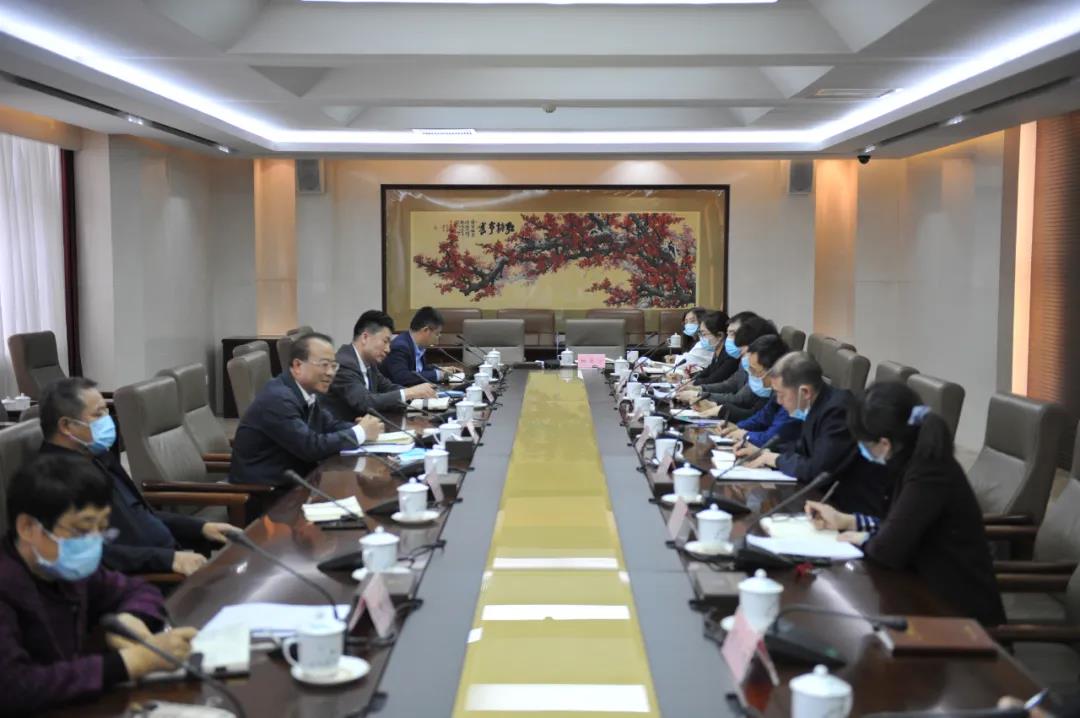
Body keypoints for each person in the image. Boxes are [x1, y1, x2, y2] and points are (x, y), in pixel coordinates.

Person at [0, 454, 198, 715]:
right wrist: (132, 662)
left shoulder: (66, 569)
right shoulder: (8, 582)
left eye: (101, 528)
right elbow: (13, 688)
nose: (93, 541)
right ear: (27, 527)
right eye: (82, 530)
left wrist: (131, 617)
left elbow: (138, 590)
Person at [804, 381, 1006, 626]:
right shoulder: (911, 462)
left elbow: (887, 549)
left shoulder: (929, 473)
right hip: (921, 589)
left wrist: (862, 538)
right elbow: (896, 524)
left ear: (885, 444)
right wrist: (849, 521)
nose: (862, 451)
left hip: (956, 613)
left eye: (863, 444)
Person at [37, 377, 236, 577]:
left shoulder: (97, 457)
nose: (108, 420)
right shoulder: (54, 481)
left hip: (166, 562)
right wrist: (168, 560)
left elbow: (139, 515)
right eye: (98, 414)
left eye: (106, 411)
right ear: (66, 426)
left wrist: (201, 528)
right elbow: (85, 556)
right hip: (143, 580)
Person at [739, 352, 889, 516]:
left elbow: (817, 469)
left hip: (849, 509)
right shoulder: (817, 405)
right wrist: (765, 453)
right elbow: (802, 450)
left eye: (781, 394)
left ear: (805, 392)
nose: (779, 401)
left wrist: (774, 459)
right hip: (824, 500)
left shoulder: (837, 411)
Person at [230, 333, 383, 492]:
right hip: (265, 494)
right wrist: (359, 432)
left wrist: (360, 428)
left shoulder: (305, 391)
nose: (330, 373)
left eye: (333, 366)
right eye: (324, 365)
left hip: (296, 482)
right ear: (297, 366)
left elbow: (329, 425)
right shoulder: (278, 399)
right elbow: (310, 447)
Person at [323, 310, 436, 420]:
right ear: (365, 337)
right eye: (385, 341)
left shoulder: (370, 363)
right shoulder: (344, 363)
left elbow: (388, 388)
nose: (388, 349)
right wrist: (410, 392)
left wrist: (418, 395)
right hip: (345, 429)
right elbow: (365, 402)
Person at [680, 316, 777, 422]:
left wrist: (702, 396)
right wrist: (699, 389)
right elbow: (731, 384)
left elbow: (741, 401)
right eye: (729, 333)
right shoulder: (744, 358)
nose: (729, 339)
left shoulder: (762, 364)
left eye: (733, 334)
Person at [713, 335, 800, 450]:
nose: (751, 374)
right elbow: (763, 417)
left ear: (774, 369)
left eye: (754, 370)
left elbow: (771, 439)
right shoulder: (779, 387)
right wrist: (738, 428)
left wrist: (745, 434)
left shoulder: (794, 394)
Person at [381, 306, 447, 387]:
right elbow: (402, 377)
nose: (439, 337)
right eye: (437, 333)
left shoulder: (418, 345)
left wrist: (440, 370)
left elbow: (418, 370)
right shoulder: (400, 347)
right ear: (426, 330)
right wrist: (438, 375)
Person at [692, 310, 750, 386]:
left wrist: (693, 383)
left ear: (720, 335)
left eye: (704, 334)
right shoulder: (718, 351)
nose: (701, 338)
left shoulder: (731, 355)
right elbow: (709, 370)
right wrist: (691, 379)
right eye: (700, 333)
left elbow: (714, 380)